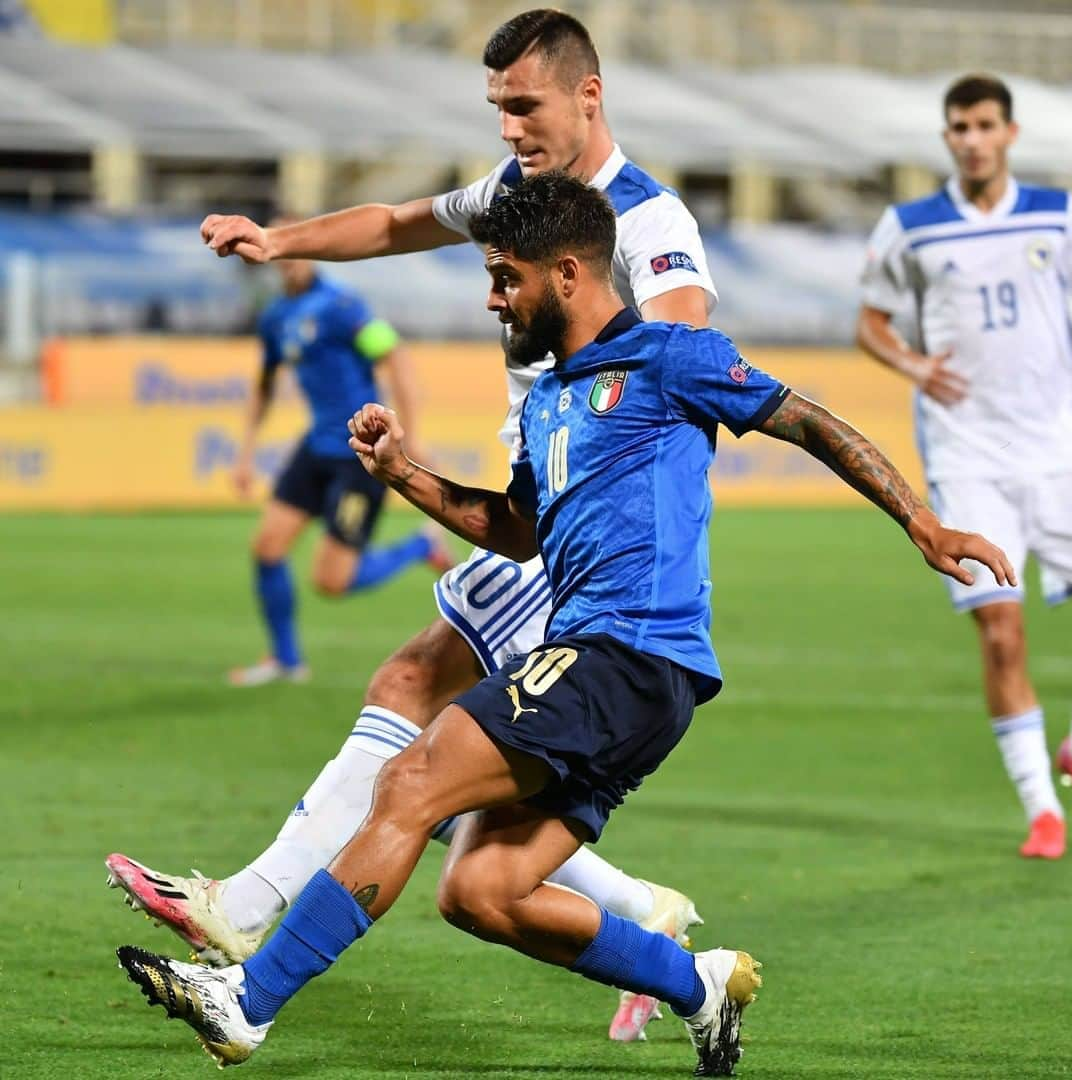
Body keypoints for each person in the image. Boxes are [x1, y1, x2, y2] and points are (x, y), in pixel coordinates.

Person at [115, 172, 1016, 1077]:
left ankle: (246, 1001)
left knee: (411, 777)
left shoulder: (671, 357)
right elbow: (514, 528)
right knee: (480, 891)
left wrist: (922, 522)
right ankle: (696, 983)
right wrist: (404, 473)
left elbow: (812, 424)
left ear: (571, 273)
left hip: (628, 654)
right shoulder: (548, 398)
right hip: (607, 670)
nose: (493, 297)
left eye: (507, 278)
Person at [107, 9, 717, 1043]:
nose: (511, 126)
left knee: (416, 719)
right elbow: (398, 223)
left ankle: (245, 917)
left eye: (525, 105)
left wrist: (601, 430)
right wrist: (278, 241)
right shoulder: (515, 196)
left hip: (580, 527)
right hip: (537, 506)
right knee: (445, 766)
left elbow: (687, 333)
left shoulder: (648, 223)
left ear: (588, 94)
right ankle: (638, 915)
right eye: (497, 108)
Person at [856, 73, 1072, 859]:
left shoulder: (1060, 216)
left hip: (1060, 448)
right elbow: (871, 323)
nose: (973, 139)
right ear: (947, 137)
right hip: (968, 455)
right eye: (959, 127)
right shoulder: (911, 226)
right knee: (1001, 632)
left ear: (1010, 133)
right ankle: (1040, 811)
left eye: (986, 125)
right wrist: (913, 366)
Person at [227, 229, 451, 687]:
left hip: (358, 453)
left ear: (307, 252)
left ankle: (420, 547)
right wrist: (245, 452)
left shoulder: (342, 306)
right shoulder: (275, 318)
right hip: (316, 447)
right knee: (267, 547)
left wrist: (412, 432)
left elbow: (393, 355)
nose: (289, 261)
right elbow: (264, 387)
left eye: (296, 250)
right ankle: (287, 661)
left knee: (332, 581)